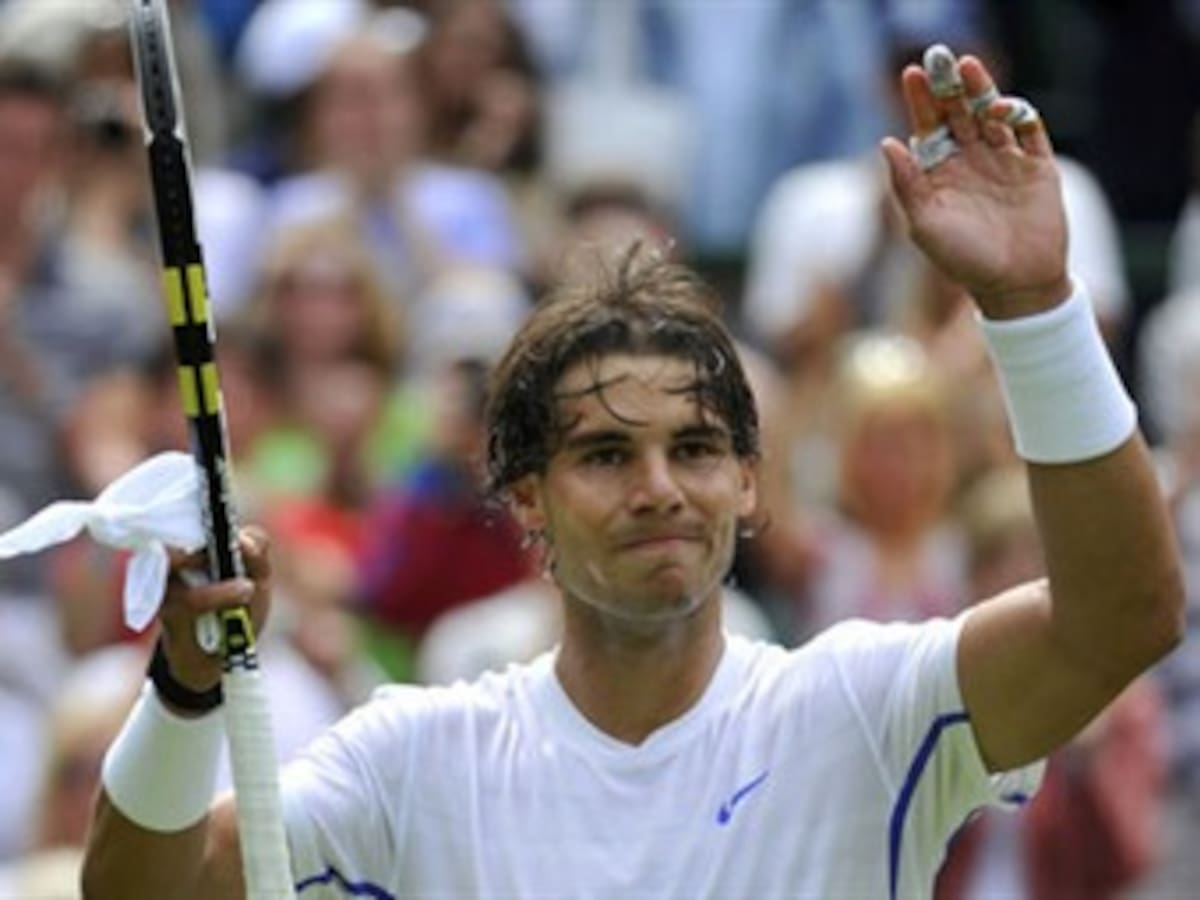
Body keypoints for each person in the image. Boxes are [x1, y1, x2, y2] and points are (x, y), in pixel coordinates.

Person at [80, 49, 1184, 898]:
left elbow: (1125, 615)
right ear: (529, 503)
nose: (661, 486)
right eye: (607, 455)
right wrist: (185, 689)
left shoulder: (860, 708)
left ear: (750, 484)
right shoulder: (413, 759)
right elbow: (143, 891)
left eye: (696, 449)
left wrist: (1035, 310)